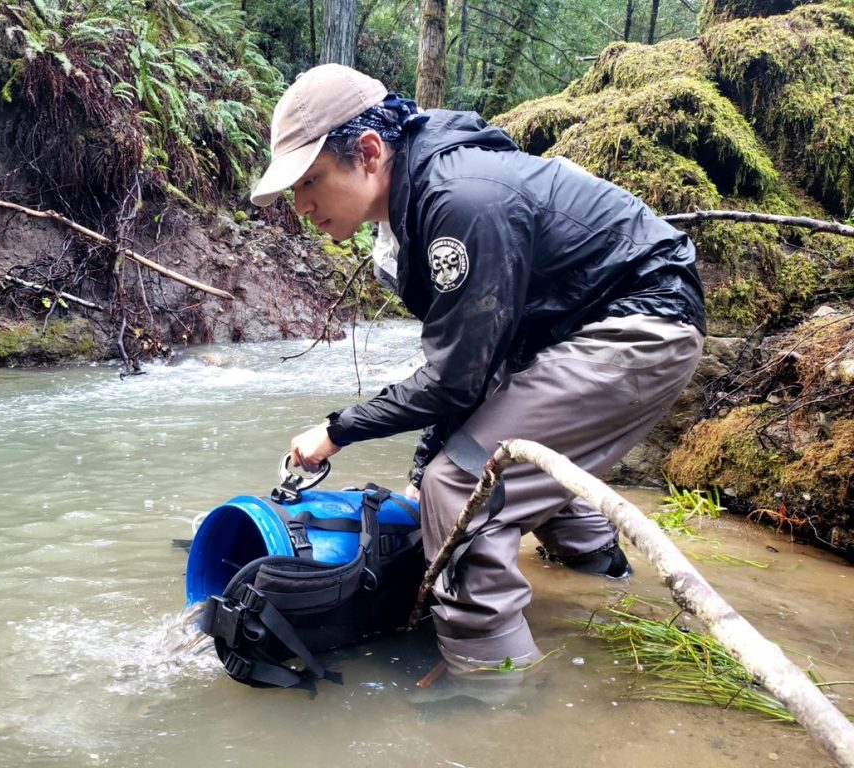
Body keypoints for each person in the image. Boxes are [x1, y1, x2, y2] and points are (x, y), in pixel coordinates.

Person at [249, 64, 706, 677]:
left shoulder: (460, 201)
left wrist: (339, 429)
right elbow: (472, 369)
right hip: (580, 329)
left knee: (459, 484)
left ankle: (491, 688)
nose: (301, 205)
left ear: (368, 151)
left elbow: (454, 380)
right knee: (494, 455)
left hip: (640, 321)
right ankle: (605, 579)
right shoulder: (417, 202)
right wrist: (418, 462)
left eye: (310, 181)